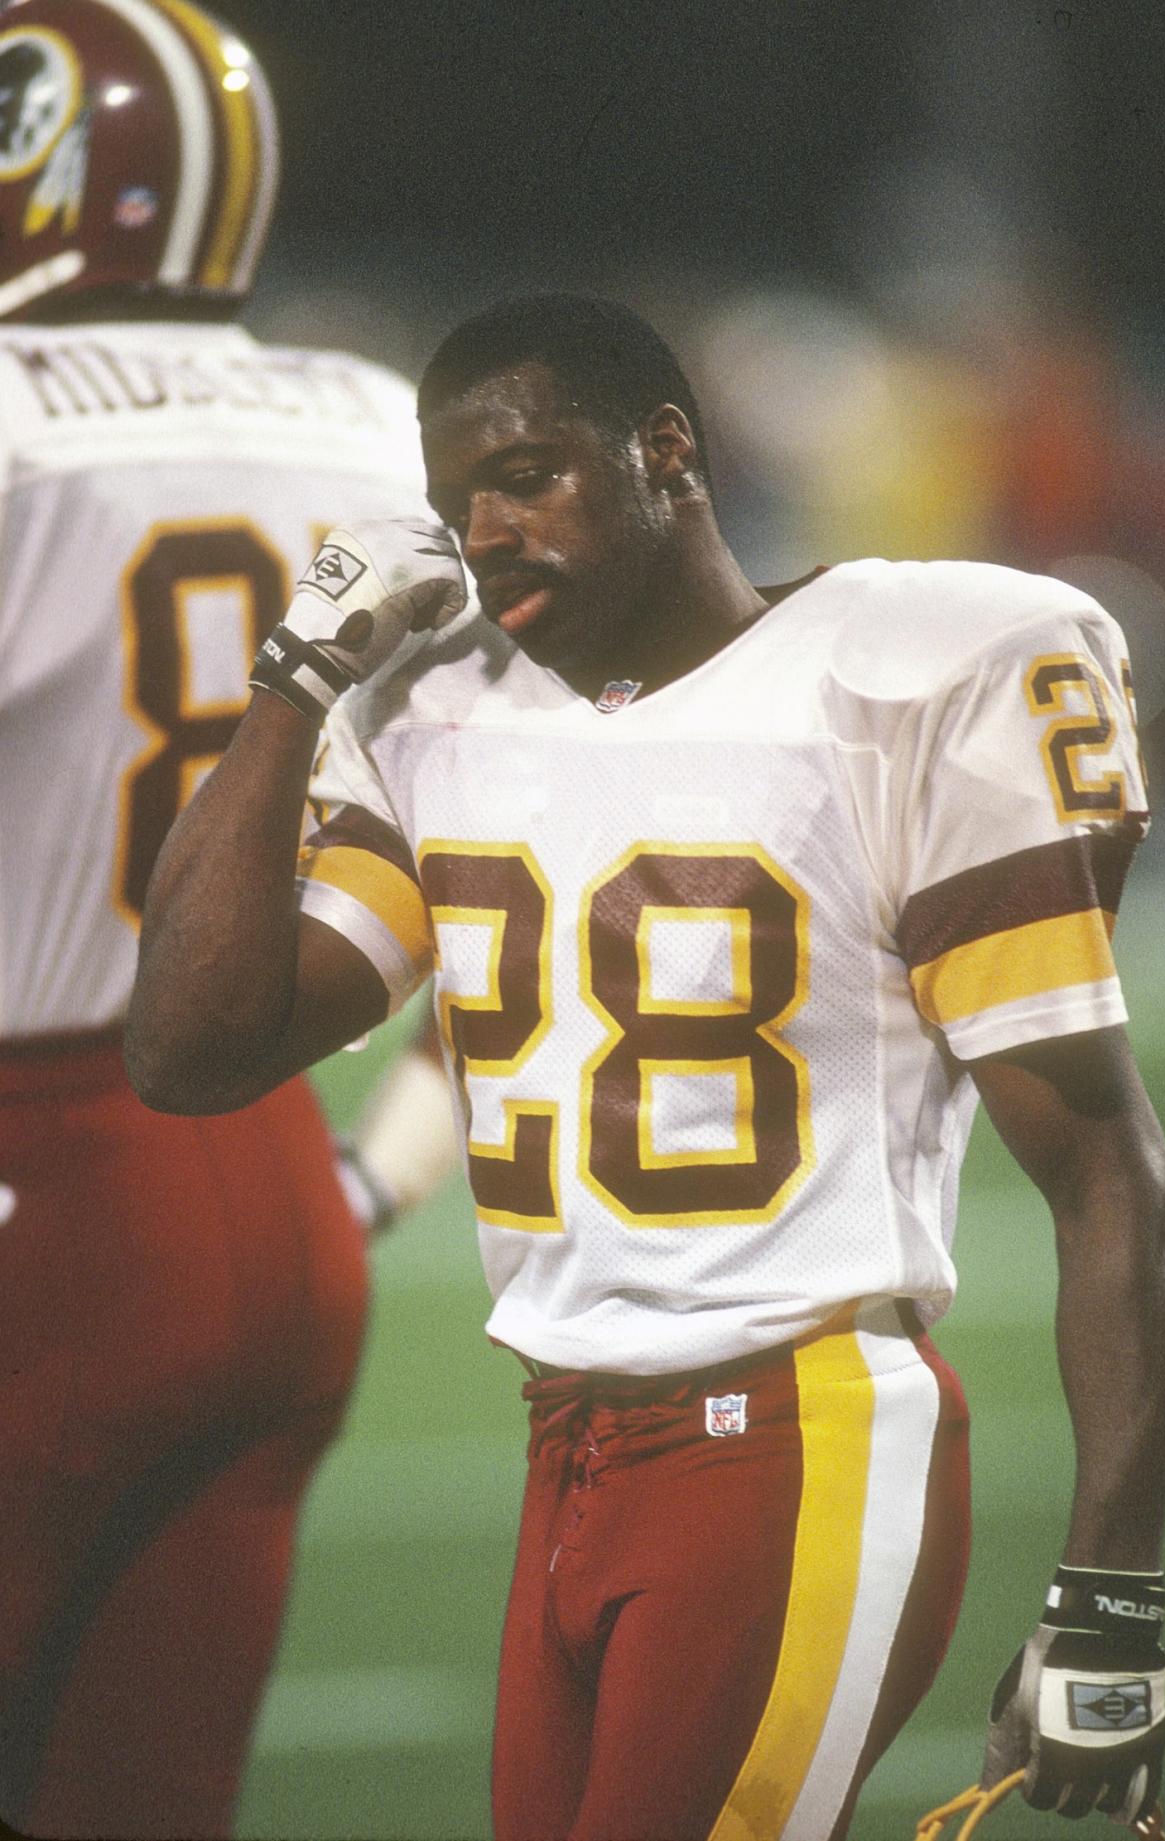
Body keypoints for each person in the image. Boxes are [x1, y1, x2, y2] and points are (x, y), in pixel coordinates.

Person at [125, 293, 1165, 1841]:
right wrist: (294, 678)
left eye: (530, 473)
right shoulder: (436, 716)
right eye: (456, 502)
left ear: (666, 452)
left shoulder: (893, 678)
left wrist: (1106, 1593)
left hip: (799, 1433)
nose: (485, 531)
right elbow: (190, 1049)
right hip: (564, 1447)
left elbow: (1107, 1171)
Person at [0, 1, 455, 1834]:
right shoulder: (378, 419)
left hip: (41, 1203)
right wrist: (367, 1176)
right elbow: (510, 857)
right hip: (275, 1178)